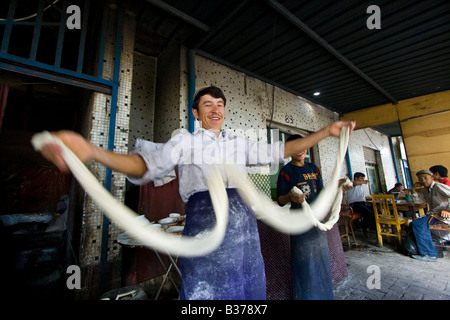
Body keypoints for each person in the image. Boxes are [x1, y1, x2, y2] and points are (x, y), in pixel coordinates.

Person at [38, 85, 356, 299]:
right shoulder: (185, 142)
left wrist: (326, 132)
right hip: (206, 227)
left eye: (220, 105)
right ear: (196, 113)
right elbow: (143, 164)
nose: (215, 110)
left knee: (251, 294)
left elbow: (280, 150)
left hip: (245, 234)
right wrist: (93, 152)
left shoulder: (238, 144)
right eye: (208, 105)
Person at [276, 135, 332, 300]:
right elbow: (280, 200)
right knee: (303, 263)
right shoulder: (286, 172)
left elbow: (322, 193)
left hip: (317, 221)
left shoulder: (314, 169)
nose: (300, 150)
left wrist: (338, 187)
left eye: (302, 145)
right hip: (299, 222)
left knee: (321, 259)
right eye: (295, 147)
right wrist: (290, 197)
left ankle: (325, 296)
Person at [409, 170, 450, 262]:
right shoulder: (425, 190)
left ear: (432, 178)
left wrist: (448, 210)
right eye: (420, 179)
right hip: (434, 215)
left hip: (443, 216)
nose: (423, 181)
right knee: (414, 224)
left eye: (425, 178)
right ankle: (425, 249)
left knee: (418, 224)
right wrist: (414, 190)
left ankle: (429, 254)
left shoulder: (438, 186)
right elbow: (417, 201)